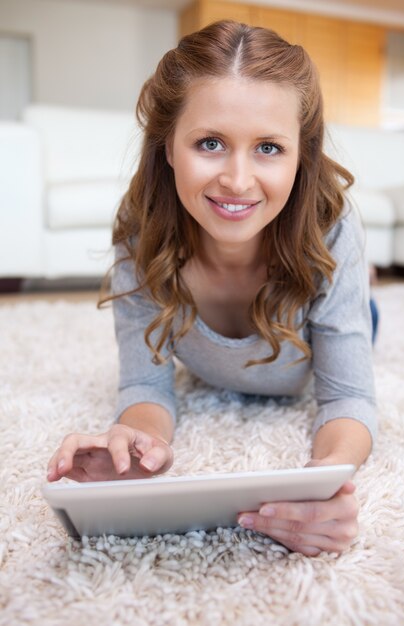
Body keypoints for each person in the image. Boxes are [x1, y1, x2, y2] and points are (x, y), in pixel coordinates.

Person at [47, 20, 377, 557]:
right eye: (210, 143)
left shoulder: (331, 230)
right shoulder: (141, 233)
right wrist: (139, 445)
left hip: (312, 320)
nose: (238, 180)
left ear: (301, 156)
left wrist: (325, 479)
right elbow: (146, 387)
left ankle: (361, 286)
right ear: (169, 147)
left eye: (269, 147)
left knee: (363, 318)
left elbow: (348, 396)